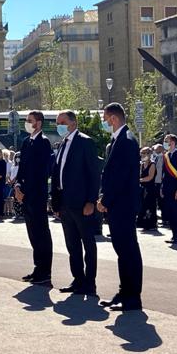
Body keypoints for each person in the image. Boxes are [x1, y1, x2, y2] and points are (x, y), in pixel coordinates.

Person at [98, 103, 143, 311]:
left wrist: (105, 200)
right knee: (123, 251)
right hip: (118, 205)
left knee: (128, 251)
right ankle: (124, 291)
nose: (104, 122)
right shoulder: (118, 140)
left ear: (114, 119)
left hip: (122, 205)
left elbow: (121, 177)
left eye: (105, 118)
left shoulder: (126, 141)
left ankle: (132, 297)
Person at [51, 111, 100, 296]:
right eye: (57, 123)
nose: (59, 126)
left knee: (88, 243)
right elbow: (57, 173)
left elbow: (93, 174)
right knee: (72, 244)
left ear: (73, 122)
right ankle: (78, 279)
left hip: (81, 203)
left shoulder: (84, 142)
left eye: (61, 122)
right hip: (64, 203)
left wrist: (91, 201)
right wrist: (55, 203)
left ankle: (90, 283)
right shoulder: (62, 144)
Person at [16, 110, 53, 286]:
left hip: (36, 194)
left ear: (38, 123)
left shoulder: (43, 143)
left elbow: (41, 173)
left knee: (41, 233)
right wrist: (17, 186)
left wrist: (27, 191)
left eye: (29, 120)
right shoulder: (26, 142)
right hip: (25, 194)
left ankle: (45, 271)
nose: (27, 123)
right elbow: (21, 167)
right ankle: (38, 268)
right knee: (32, 233)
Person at [160, 134, 177, 246]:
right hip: (167, 188)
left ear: (172, 142)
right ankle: (173, 235)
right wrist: (162, 187)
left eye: (167, 141)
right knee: (170, 213)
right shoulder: (165, 156)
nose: (165, 143)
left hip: (176, 189)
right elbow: (164, 174)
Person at [137, 147, 157, 231]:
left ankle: (151, 224)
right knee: (143, 206)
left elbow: (150, 177)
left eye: (144, 153)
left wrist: (139, 180)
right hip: (142, 188)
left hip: (150, 188)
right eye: (142, 153)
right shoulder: (141, 164)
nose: (142, 155)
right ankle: (143, 223)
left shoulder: (152, 164)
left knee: (150, 206)